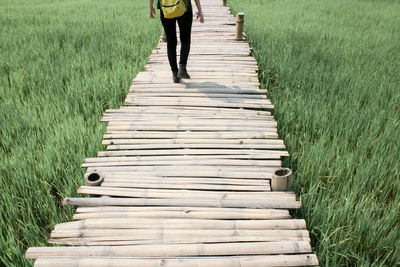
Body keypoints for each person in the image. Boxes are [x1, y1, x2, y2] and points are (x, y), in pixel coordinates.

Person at [150, 0, 204, 83]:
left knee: (171, 43)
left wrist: (151, 7)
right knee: (185, 40)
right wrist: (199, 11)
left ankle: (175, 73)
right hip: (184, 7)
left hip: (165, 9)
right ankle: (182, 68)